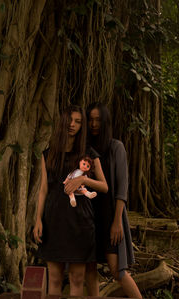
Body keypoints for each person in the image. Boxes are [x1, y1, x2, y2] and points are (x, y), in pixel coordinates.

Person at [33, 105, 108, 296]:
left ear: (82, 126)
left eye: (78, 121)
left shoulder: (88, 153)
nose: (72, 125)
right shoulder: (48, 154)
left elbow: (104, 186)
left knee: (76, 279)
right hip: (54, 221)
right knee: (55, 279)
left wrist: (83, 179)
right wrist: (38, 220)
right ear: (62, 122)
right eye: (70, 120)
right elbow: (43, 190)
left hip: (80, 223)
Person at [84, 102, 142, 298]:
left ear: (105, 121)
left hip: (110, 215)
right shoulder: (85, 149)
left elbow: (122, 189)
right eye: (90, 119)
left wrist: (117, 221)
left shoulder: (116, 147)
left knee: (117, 270)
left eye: (98, 120)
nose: (93, 124)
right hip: (88, 215)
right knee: (89, 269)